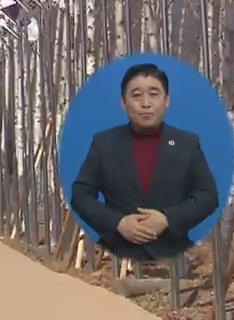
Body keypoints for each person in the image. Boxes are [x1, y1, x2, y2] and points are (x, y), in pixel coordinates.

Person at [69, 63, 219, 260]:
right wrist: (118, 223)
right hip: (117, 255)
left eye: (154, 94)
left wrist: (167, 219)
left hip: (173, 255)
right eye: (136, 95)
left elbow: (208, 196)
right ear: (123, 103)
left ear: (167, 100)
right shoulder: (104, 143)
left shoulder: (186, 143)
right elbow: (80, 195)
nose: (146, 103)